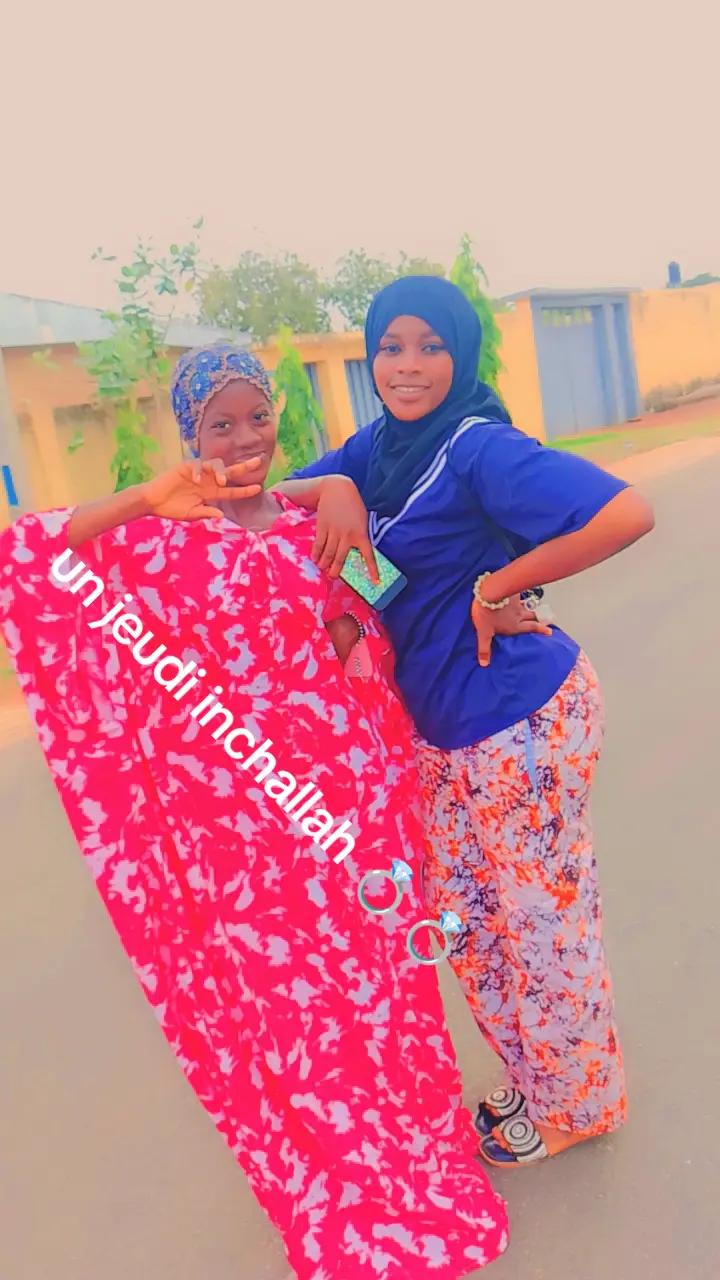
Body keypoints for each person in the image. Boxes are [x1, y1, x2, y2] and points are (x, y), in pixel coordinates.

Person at [0, 344, 508, 1278]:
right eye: (218, 424)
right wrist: (145, 498)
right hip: (246, 826)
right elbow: (24, 555)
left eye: (257, 417)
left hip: (351, 800)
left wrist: (346, 553)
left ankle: (414, 1150)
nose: (243, 440)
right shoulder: (156, 541)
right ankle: (352, 1177)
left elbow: (379, 607)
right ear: (187, 432)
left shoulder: (313, 520)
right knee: (300, 1007)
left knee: (382, 986)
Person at [279, 277, 655, 1168]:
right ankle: (540, 1072)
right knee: (465, 923)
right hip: (440, 733)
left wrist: (496, 586)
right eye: (390, 347)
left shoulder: (475, 445)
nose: (407, 366)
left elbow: (627, 512)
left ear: (462, 354)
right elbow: (273, 500)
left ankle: (580, 1105)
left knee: (541, 923)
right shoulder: (376, 447)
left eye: (430, 346)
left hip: (517, 719)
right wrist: (335, 484)